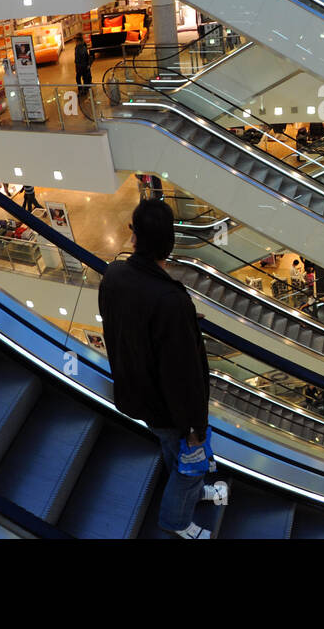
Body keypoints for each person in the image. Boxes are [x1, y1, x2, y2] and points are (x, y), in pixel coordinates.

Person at [99, 199, 225, 539]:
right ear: (169, 244)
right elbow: (181, 376)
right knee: (190, 464)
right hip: (167, 408)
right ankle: (177, 521)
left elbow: (124, 322)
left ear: (134, 236)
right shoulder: (169, 301)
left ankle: (192, 496)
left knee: (174, 454)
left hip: (132, 390)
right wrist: (195, 426)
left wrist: (181, 320)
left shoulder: (114, 274)